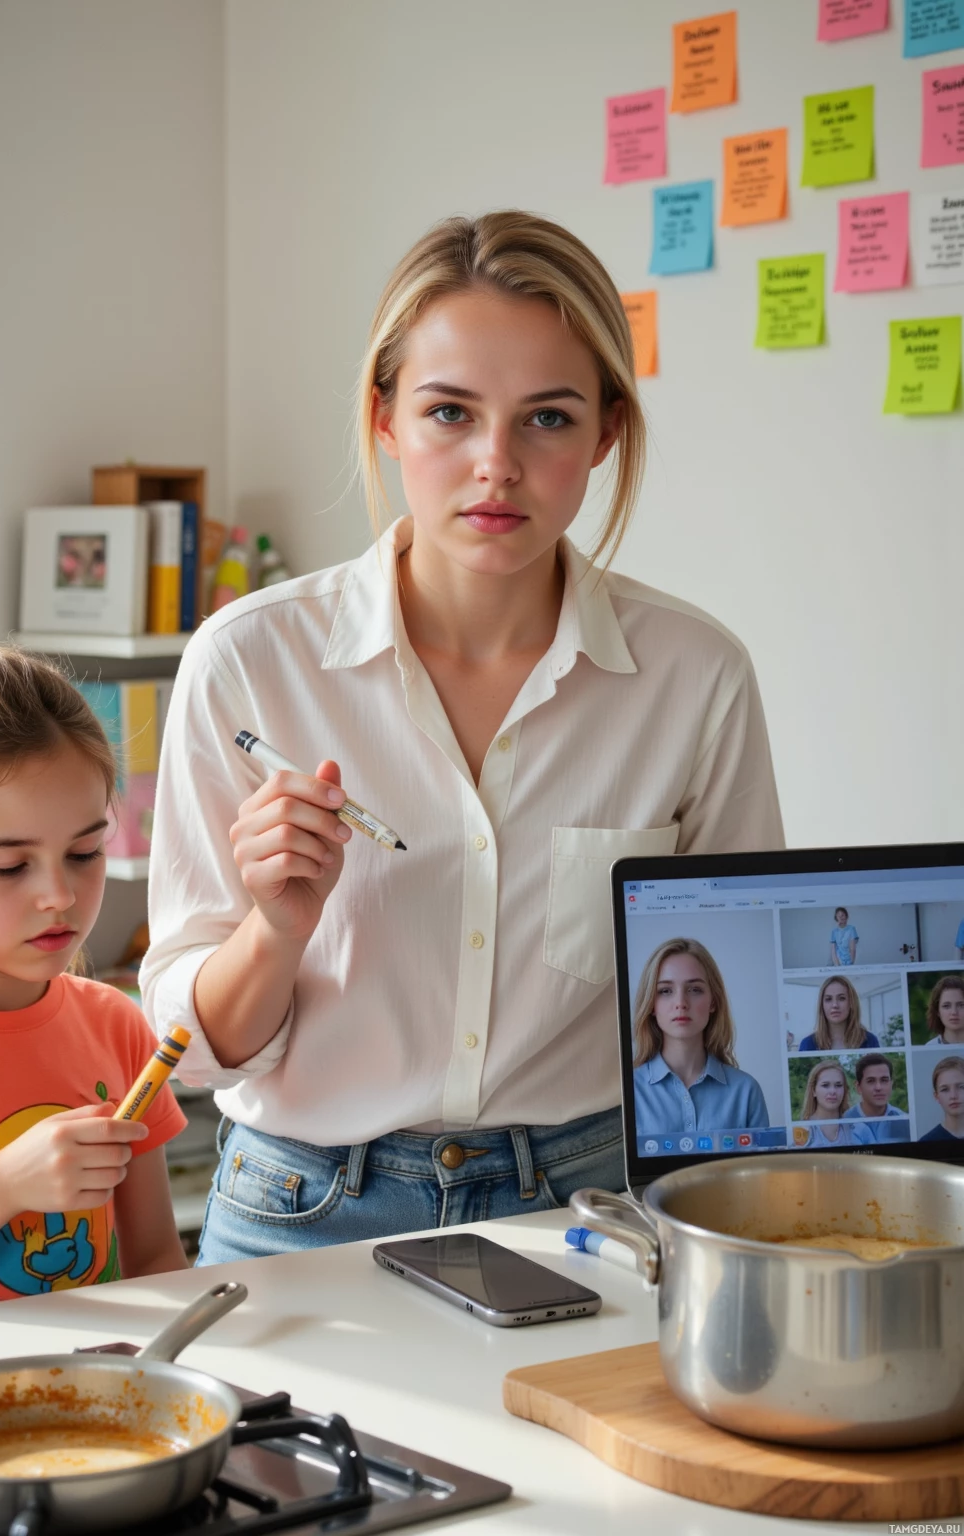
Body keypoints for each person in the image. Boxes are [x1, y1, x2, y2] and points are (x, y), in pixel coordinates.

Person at [140, 210, 784, 1262]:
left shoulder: (696, 676)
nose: (496, 464)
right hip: (301, 1212)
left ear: (605, 434)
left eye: (547, 418)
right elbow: (191, 1055)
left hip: (583, 1209)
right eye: (449, 412)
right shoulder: (248, 661)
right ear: (385, 418)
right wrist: (275, 930)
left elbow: (739, 991)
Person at [0, 647, 187, 1309]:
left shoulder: (114, 1024)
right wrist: (1, 1186)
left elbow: (156, 1260)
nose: (60, 895)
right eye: (9, 866)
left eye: (84, 852)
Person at [631, 939, 769, 1138]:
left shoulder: (746, 1091)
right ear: (651, 1004)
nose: (681, 1003)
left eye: (695, 989)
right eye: (665, 991)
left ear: (713, 1002)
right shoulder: (629, 1092)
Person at [798, 975, 878, 1052]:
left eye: (841, 998)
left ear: (851, 1003)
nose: (835, 1005)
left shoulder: (869, 1041)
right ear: (822, 1005)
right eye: (828, 999)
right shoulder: (808, 1045)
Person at [843, 1053, 910, 1144]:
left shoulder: (905, 1121)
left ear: (891, 1084)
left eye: (884, 1080)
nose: (878, 1087)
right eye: (871, 1081)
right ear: (858, 1087)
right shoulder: (845, 1121)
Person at [796, 1061, 864, 1147]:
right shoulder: (800, 1131)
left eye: (838, 1085)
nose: (833, 1091)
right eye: (825, 1085)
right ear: (813, 1091)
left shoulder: (859, 1130)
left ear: (845, 1090)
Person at [919, 1057, 964, 1143]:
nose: (953, 1096)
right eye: (945, 1089)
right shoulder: (925, 1144)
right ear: (937, 1097)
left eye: (961, 1087)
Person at [921, 975, 964, 1047]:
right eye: (946, 1006)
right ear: (937, 1011)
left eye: (961, 1005)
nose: (954, 1012)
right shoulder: (930, 1048)